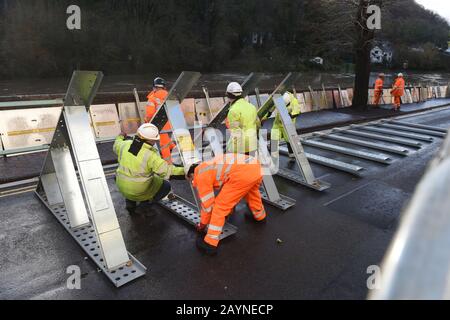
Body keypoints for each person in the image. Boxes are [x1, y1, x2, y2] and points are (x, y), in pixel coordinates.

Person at [187, 153, 267, 255]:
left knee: (220, 207)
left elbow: (208, 205)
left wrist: (202, 224)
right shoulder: (209, 164)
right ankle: (260, 216)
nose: (193, 182)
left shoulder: (200, 175)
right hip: (256, 167)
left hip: (242, 174)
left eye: (191, 180)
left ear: (192, 174)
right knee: (252, 192)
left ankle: (210, 243)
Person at [113, 123, 185, 214]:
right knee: (166, 186)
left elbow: (116, 144)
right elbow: (169, 172)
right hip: (139, 191)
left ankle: (130, 203)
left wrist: (120, 136)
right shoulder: (150, 155)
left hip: (122, 187)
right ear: (152, 140)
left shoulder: (125, 145)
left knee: (128, 178)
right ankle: (144, 205)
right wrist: (187, 170)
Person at [145, 77, 176, 163]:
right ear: (164, 87)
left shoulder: (152, 97)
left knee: (164, 145)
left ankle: (168, 164)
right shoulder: (170, 96)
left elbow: (149, 114)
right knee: (167, 141)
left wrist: (147, 123)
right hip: (170, 124)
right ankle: (176, 149)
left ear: (154, 87)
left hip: (159, 124)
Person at [225, 82, 261, 155]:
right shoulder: (252, 107)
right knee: (251, 165)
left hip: (241, 148)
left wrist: (230, 149)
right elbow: (258, 124)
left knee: (240, 166)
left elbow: (236, 133)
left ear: (229, 95)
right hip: (253, 144)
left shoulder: (233, 110)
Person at [271, 91, 301, 161]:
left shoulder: (294, 101)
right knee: (274, 137)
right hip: (278, 122)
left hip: (288, 124)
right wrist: (266, 116)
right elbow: (271, 109)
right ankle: (273, 156)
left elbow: (297, 112)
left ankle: (292, 155)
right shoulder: (279, 99)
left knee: (289, 140)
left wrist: (289, 116)